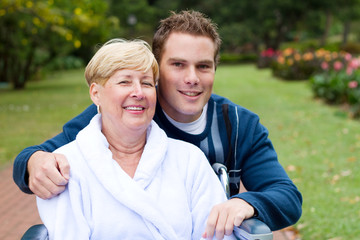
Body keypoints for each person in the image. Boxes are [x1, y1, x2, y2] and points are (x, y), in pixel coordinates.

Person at [13, 10, 302, 240]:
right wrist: (32, 162)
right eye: (178, 65)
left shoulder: (239, 125)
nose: (192, 78)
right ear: (157, 69)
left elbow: (287, 196)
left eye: (203, 66)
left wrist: (247, 203)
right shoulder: (127, 113)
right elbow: (53, 152)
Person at [36, 38, 235, 239]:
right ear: (96, 93)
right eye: (125, 81)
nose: (139, 93)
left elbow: (215, 235)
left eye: (147, 83)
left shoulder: (190, 159)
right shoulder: (64, 167)